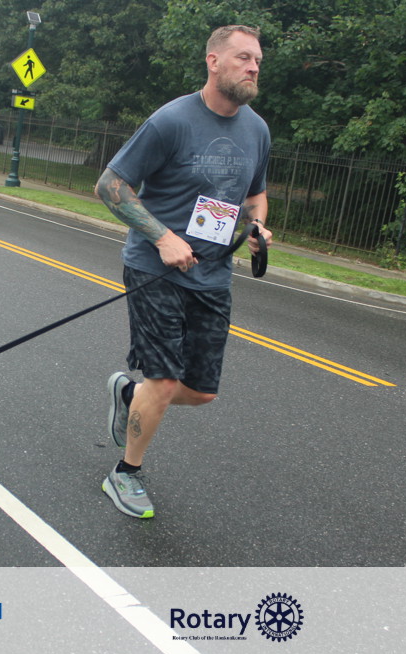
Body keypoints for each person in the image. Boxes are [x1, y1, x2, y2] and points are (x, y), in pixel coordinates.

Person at [94, 25, 273, 519]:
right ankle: (124, 473)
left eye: (257, 60)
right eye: (243, 57)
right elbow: (110, 185)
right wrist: (162, 237)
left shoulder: (257, 130)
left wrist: (257, 226)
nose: (253, 67)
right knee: (166, 380)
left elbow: (255, 194)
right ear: (213, 62)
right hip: (155, 269)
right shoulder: (171, 121)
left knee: (202, 392)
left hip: (213, 275)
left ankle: (129, 394)